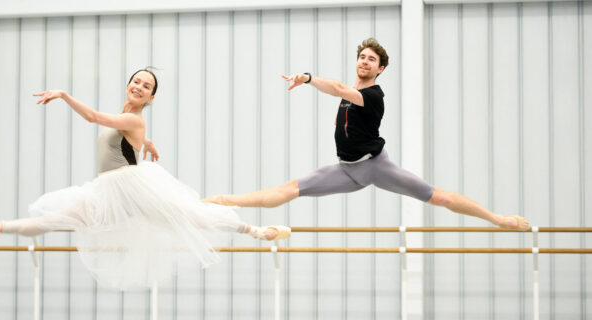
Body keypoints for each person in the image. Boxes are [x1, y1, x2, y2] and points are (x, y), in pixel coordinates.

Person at [0, 68, 290, 290]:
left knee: (191, 215)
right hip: (109, 192)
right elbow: (126, 136)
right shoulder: (129, 118)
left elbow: (97, 118)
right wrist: (147, 143)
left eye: (147, 86)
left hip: (132, 188)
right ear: (128, 85)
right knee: (55, 218)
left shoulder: (133, 119)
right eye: (137, 81)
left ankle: (260, 231)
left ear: (151, 98)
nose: (140, 87)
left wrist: (65, 95)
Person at [203, 38, 530, 231]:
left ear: (380, 68)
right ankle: (221, 201)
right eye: (362, 57)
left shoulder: (373, 95)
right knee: (289, 190)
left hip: (376, 166)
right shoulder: (351, 94)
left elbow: (338, 88)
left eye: (371, 59)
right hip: (346, 170)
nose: (365, 61)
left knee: (439, 197)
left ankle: (498, 220)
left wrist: (307, 77)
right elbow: (343, 105)